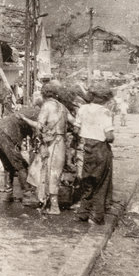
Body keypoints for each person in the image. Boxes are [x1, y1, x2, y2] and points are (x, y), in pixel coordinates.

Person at [74, 84, 115, 224]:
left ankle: (83, 213)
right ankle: (97, 216)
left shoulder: (83, 108)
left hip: (86, 148)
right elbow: (109, 137)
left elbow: (75, 129)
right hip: (100, 148)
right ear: (103, 98)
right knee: (101, 183)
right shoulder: (105, 112)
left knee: (87, 182)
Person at [0, 104, 41, 205]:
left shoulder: (28, 110)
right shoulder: (38, 115)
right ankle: (27, 195)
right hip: (6, 134)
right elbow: (36, 134)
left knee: (8, 166)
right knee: (21, 165)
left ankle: (8, 194)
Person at [37, 81, 69, 215]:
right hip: (61, 142)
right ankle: (51, 203)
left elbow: (39, 126)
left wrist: (40, 138)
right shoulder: (62, 107)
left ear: (44, 94)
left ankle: (53, 206)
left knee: (49, 171)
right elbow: (74, 122)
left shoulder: (46, 106)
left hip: (51, 143)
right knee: (56, 172)